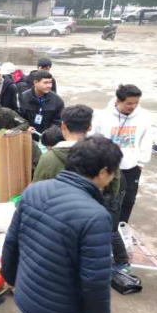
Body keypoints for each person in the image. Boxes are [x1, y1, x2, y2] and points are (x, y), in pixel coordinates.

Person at [0, 136, 122, 313]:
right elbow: (95, 280)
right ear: (103, 172)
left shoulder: (35, 190)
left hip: (27, 295)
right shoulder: (95, 216)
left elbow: (12, 240)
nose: (113, 178)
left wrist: (9, 277)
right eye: (113, 172)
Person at [33, 105, 130, 272]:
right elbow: (114, 187)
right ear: (90, 127)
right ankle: (122, 263)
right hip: (91, 221)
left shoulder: (48, 158)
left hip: (57, 225)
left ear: (63, 126)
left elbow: (37, 193)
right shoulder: (103, 153)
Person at [91, 84, 152, 227]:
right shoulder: (102, 117)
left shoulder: (143, 117)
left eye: (136, 102)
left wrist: (140, 163)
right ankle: (102, 227)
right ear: (118, 101)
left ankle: (121, 229)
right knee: (106, 199)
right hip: (107, 167)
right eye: (129, 103)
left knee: (128, 200)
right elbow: (93, 139)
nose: (133, 106)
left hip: (131, 167)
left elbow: (146, 140)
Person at [19, 71, 64, 139]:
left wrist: (48, 133)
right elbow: (19, 117)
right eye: (45, 83)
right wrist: (26, 127)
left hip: (48, 138)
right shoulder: (23, 97)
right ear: (35, 83)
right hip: (27, 136)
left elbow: (58, 121)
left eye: (50, 82)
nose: (49, 86)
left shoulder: (57, 100)